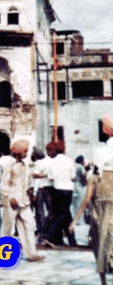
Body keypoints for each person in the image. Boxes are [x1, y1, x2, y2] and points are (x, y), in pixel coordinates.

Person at [69, 115, 113, 285]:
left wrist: (74, 221)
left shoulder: (95, 176)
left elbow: (87, 200)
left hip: (101, 214)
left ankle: (103, 282)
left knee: (99, 244)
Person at [0, 139, 45, 262]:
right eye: (25, 151)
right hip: (12, 201)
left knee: (29, 225)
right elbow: (4, 183)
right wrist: (10, 197)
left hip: (23, 201)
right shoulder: (9, 165)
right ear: (19, 152)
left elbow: (26, 180)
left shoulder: (24, 164)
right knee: (7, 228)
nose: (26, 154)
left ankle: (31, 254)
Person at [44, 140, 77, 247]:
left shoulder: (52, 162)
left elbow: (50, 177)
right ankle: (49, 235)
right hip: (67, 189)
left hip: (56, 189)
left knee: (64, 214)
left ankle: (71, 240)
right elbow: (73, 177)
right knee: (62, 214)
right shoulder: (69, 161)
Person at [32, 142, 56, 243]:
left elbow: (36, 177)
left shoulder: (41, 163)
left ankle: (42, 231)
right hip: (52, 188)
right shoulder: (54, 162)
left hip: (42, 189)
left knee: (40, 212)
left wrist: (34, 192)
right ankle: (46, 231)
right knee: (51, 212)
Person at [72, 155, 88, 225]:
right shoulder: (81, 167)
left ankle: (74, 219)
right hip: (80, 185)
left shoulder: (73, 166)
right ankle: (81, 220)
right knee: (81, 203)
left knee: (74, 204)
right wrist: (85, 183)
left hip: (73, 185)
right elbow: (83, 175)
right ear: (82, 160)